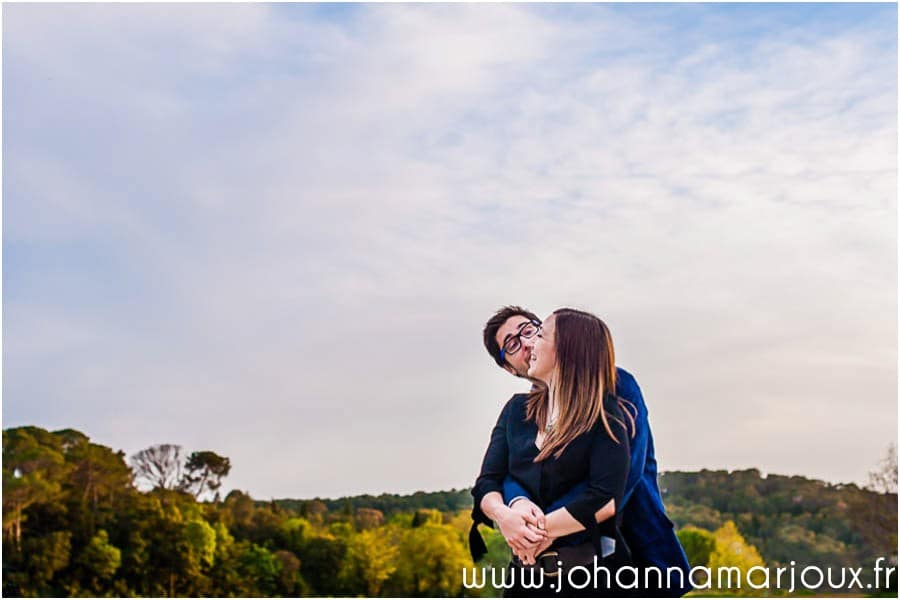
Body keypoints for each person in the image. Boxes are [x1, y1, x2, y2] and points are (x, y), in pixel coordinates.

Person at [470, 306, 691, 597]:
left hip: (622, 551)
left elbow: (621, 481)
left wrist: (538, 530)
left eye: (529, 329)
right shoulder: (519, 412)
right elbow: (502, 478)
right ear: (510, 369)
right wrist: (513, 508)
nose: (526, 342)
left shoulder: (613, 386)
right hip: (532, 572)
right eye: (511, 344)